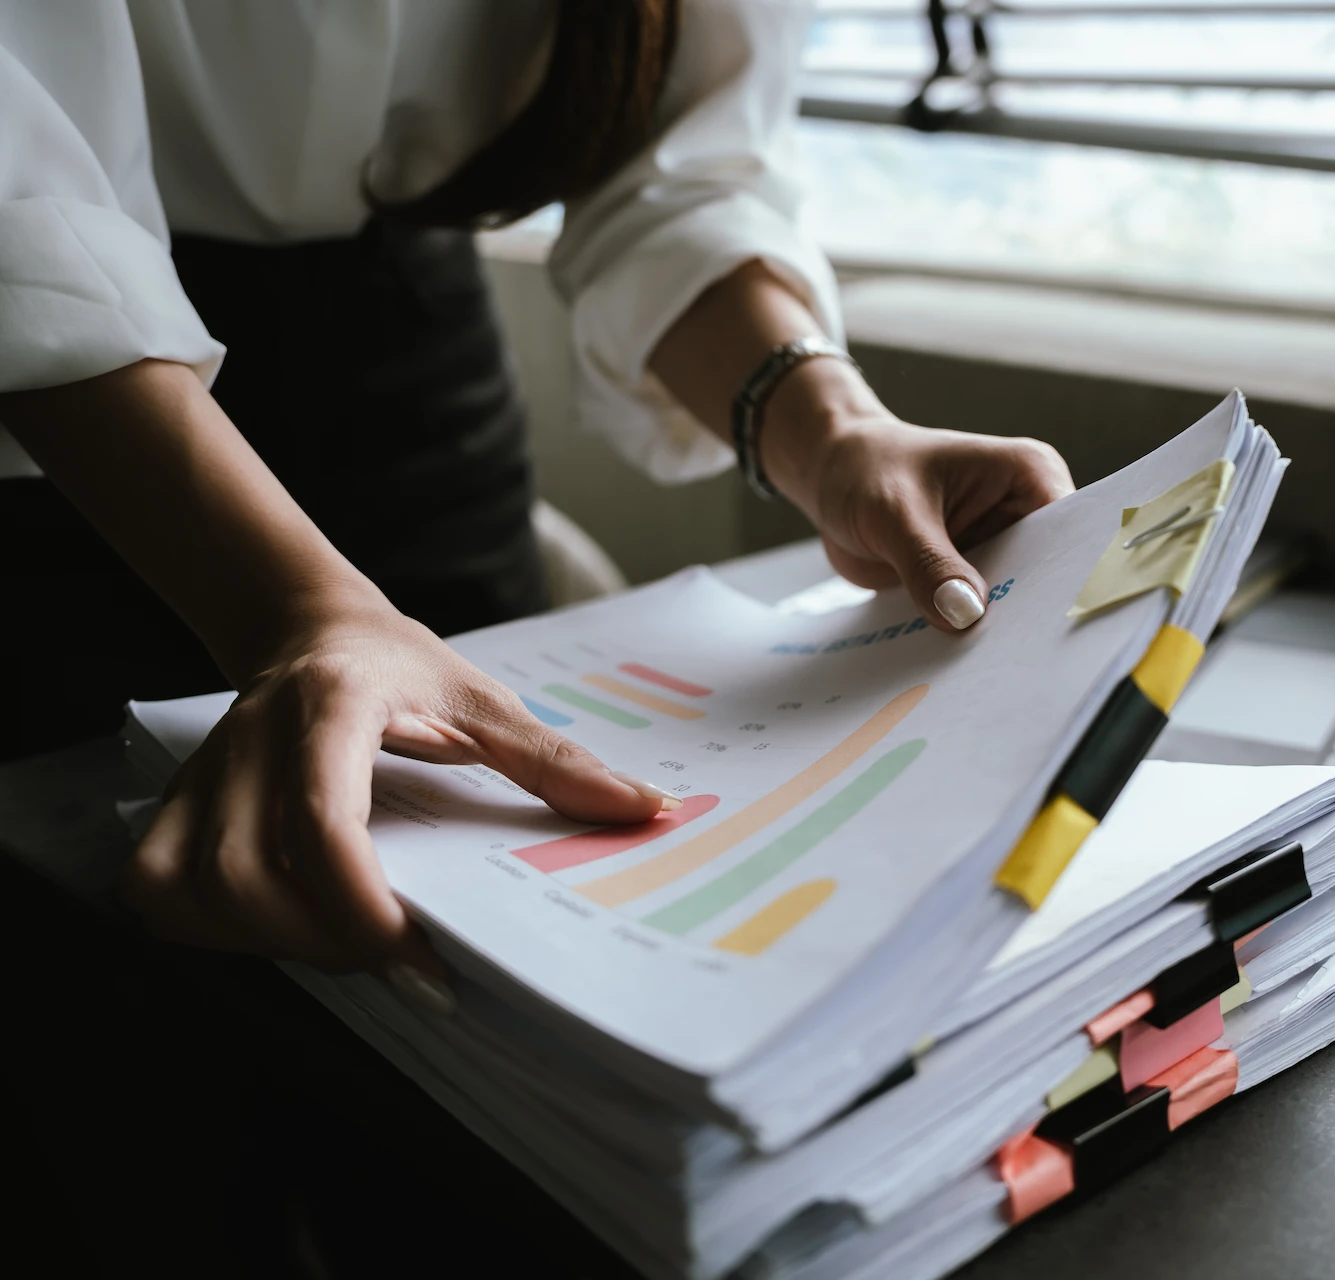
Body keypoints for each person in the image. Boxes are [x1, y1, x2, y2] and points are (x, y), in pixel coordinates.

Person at [0, 0, 1073, 1001]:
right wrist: (298, 609)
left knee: (490, 985)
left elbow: (677, 172)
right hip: (68, 429)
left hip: (414, 364)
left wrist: (836, 430)